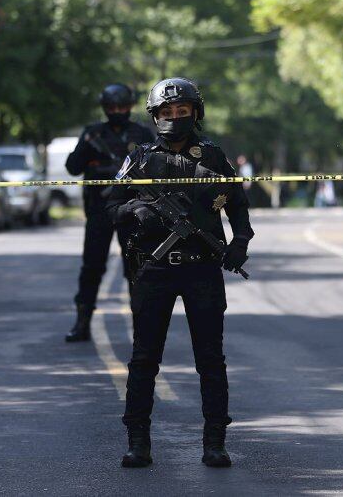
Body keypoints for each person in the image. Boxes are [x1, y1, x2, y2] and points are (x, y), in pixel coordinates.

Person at [106, 77, 254, 468]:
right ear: (155, 116)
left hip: (202, 270)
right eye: (167, 112)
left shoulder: (213, 156)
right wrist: (132, 211)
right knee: (143, 360)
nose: (174, 117)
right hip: (153, 270)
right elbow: (110, 205)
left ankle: (215, 442)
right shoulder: (140, 158)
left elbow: (238, 204)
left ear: (195, 113)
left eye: (182, 111)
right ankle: (138, 442)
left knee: (210, 360)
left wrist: (240, 242)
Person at [63, 84, 154, 342]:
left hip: (132, 211)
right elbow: (72, 167)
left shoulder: (142, 134)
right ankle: (82, 323)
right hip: (99, 210)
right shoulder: (93, 134)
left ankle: (143, 328)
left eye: (121, 107)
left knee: (136, 268)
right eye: (111, 108)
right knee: (92, 267)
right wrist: (88, 152)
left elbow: (157, 169)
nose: (116, 112)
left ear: (130, 107)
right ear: (104, 108)